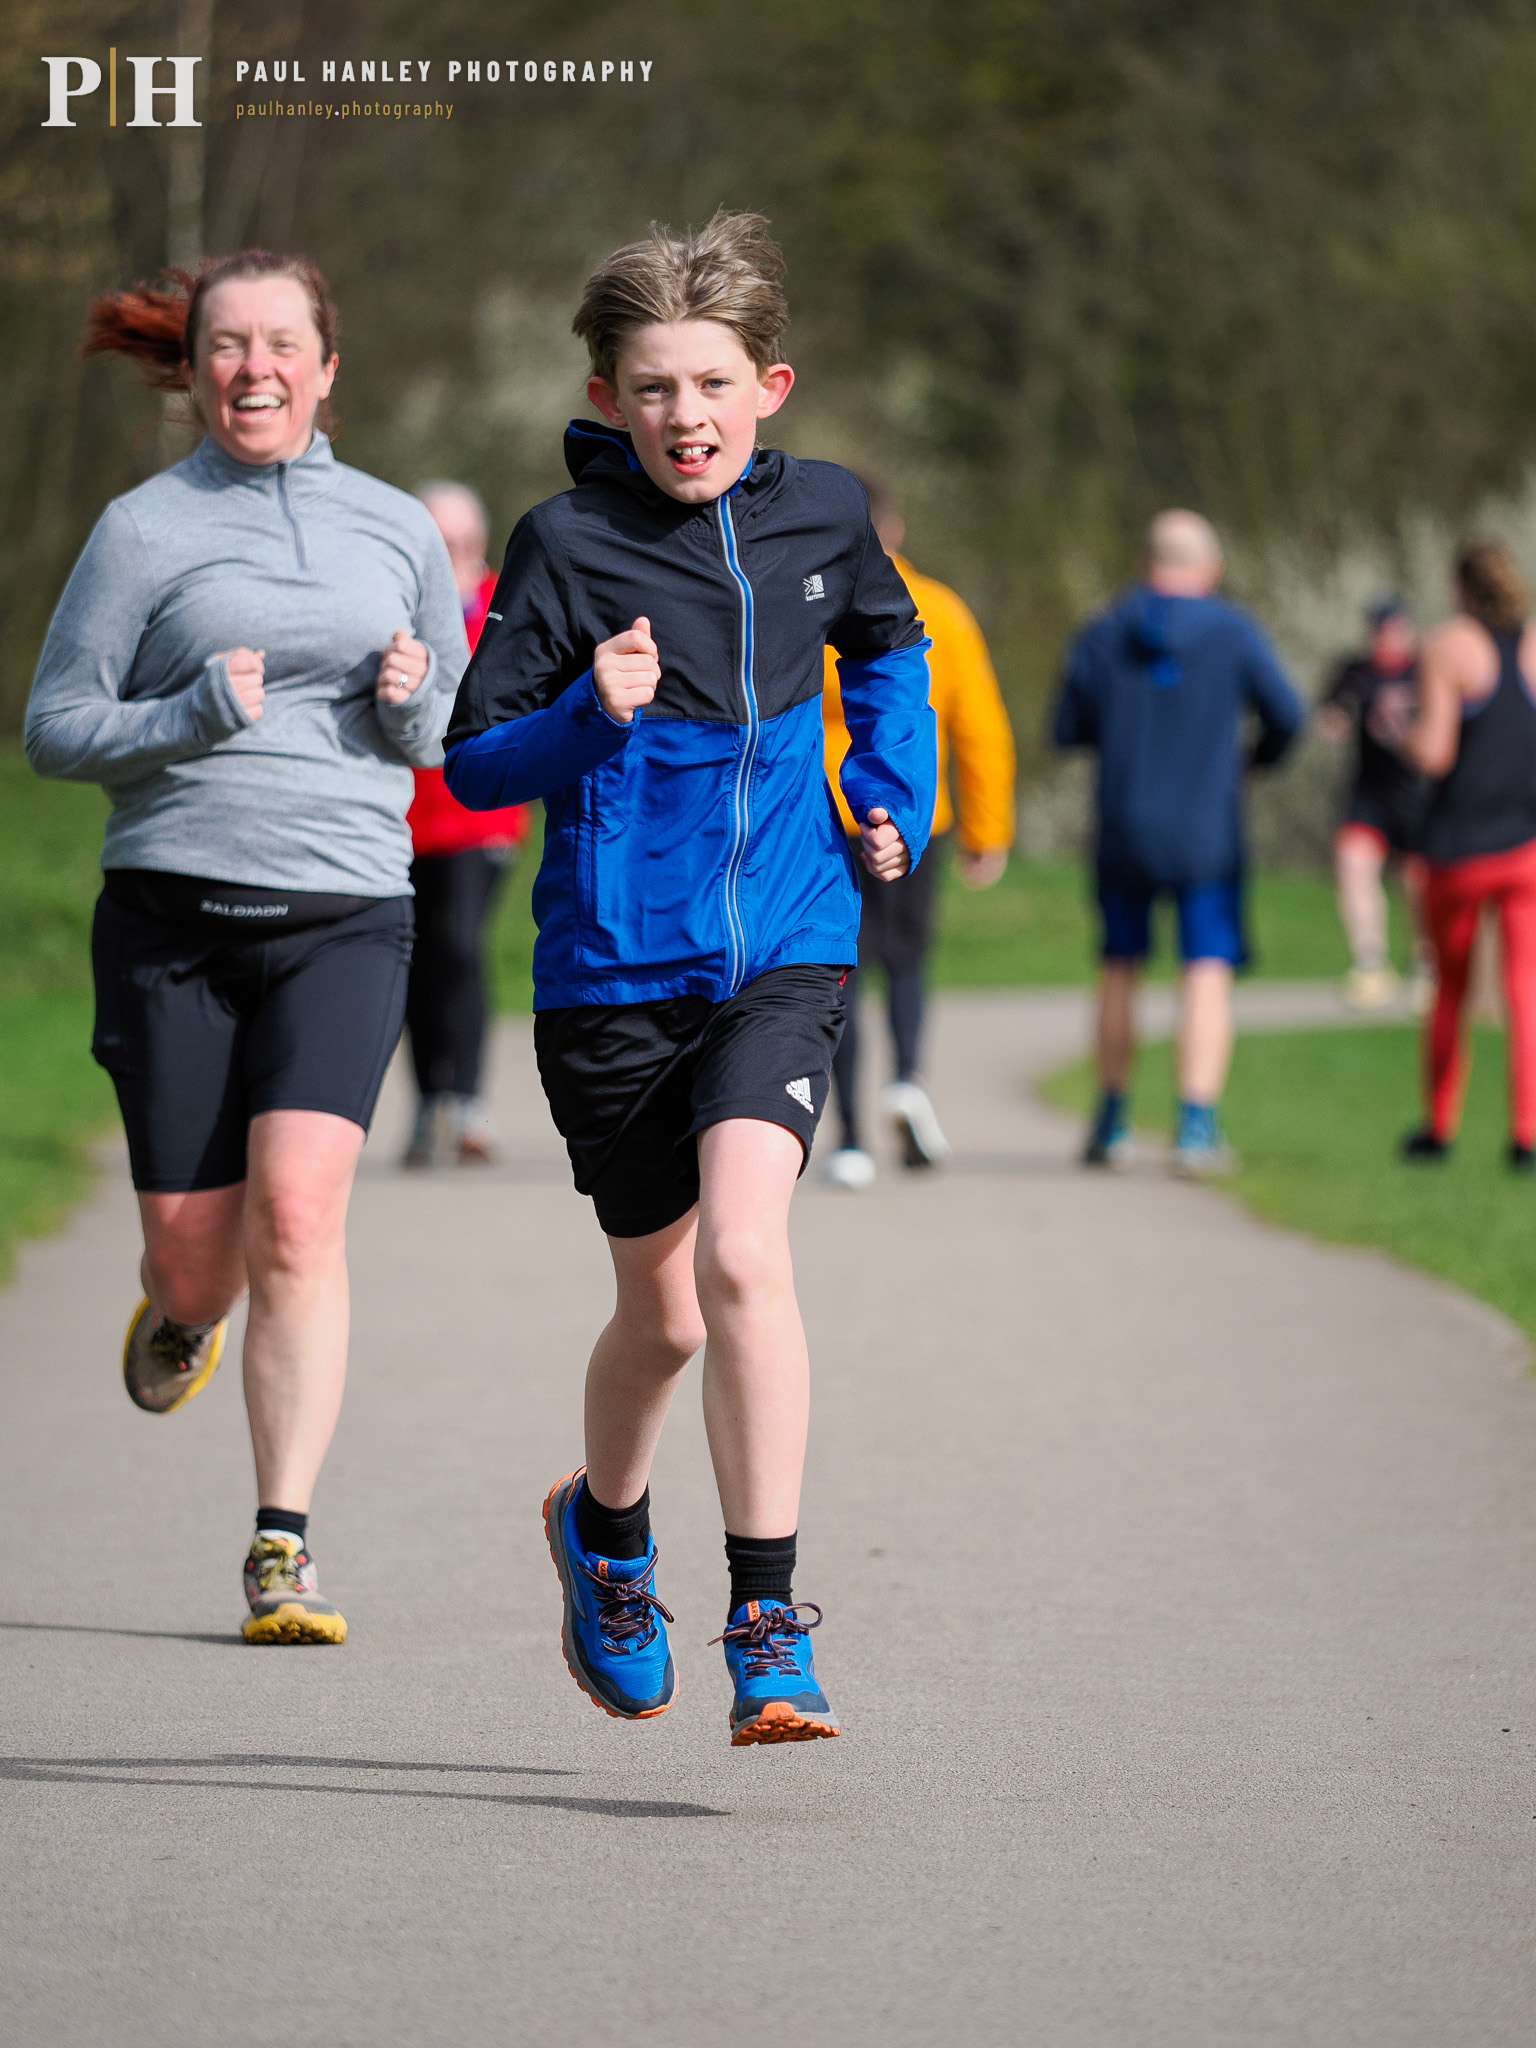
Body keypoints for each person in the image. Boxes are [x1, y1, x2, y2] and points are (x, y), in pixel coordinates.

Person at [444, 211, 935, 1744]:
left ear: (768, 387)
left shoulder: (829, 515)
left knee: (744, 1261)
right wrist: (588, 711)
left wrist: (892, 790)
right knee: (658, 1319)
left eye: (711, 384)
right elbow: (471, 759)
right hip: (612, 979)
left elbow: (892, 646)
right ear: (607, 398)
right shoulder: (565, 545)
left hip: (786, 949)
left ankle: (769, 1619)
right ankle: (605, 1530)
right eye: (651, 388)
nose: (685, 416)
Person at [25, 251, 467, 1642]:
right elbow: (55, 726)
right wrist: (185, 717)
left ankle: (283, 1544)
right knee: (197, 1260)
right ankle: (178, 1315)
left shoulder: (397, 529)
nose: (254, 368)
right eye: (227, 345)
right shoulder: (141, 532)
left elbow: (440, 729)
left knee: (300, 1218)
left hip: (345, 913)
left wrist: (409, 706)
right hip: (171, 920)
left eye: (282, 343)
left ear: (328, 368)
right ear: (195, 367)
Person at [1051, 510, 1304, 1174]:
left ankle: (1110, 1121)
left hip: (1125, 824)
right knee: (1205, 972)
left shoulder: (1103, 632)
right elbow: (1288, 716)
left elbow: (1066, 726)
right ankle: (1195, 1128)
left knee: (1118, 966)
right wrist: (1251, 762)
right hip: (1207, 832)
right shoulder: (1233, 632)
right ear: (1210, 570)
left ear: (1144, 564)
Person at [819, 475, 1015, 1188]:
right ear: (893, 531)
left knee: (837, 973)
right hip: (910, 817)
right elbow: (979, 726)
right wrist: (987, 829)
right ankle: (907, 1079)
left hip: (822, 818)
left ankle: (847, 1139)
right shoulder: (939, 609)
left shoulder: (803, 602)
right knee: (906, 959)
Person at [403, 481, 530, 1167]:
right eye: (438, 543)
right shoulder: (390, 607)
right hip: (401, 814)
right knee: (416, 957)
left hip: (480, 811)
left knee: (460, 946)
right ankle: (429, 1102)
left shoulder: (507, 608)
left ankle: (470, 1101)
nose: (452, 555)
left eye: (462, 543)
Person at [1399, 542, 1536, 1171]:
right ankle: (1526, 1134)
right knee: (1525, 990)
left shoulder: (1449, 645)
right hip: (1526, 848)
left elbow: (1435, 753)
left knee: (1450, 989)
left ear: (1458, 587)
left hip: (1459, 850)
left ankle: (1440, 1126)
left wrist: (1396, 728)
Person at [1316, 599, 1431, 1009]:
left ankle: (1424, 963)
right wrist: (1333, 722)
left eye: (1394, 628)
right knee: (1353, 864)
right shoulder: (1355, 671)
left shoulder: (1425, 669)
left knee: (1416, 883)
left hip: (1419, 793)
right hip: (1369, 792)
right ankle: (1370, 963)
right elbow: (1329, 712)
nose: (1386, 637)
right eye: (1379, 629)